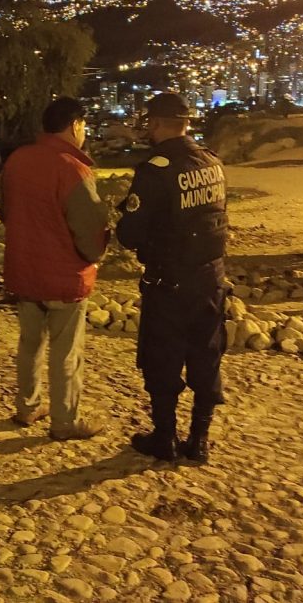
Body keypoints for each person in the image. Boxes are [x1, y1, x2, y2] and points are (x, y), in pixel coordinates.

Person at [115, 94, 228, 463]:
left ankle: (164, 437)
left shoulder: (155, 169)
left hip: (169, 281)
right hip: (211, 278)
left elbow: (130, 233)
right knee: (206, 355)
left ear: (156, 123)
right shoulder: (211, 162)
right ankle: (199, 439)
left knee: (162, 358)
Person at [0, 97, 109, 441]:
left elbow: (5, 211)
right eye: (84, 125)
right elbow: (90, 229)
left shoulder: (17, 160)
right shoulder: (73, 169)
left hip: (24, 271)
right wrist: (96, 254)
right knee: (66, 353)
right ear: (75, 125)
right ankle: (64, 421)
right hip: (64, 277)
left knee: (29, 344)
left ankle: (27, 406)